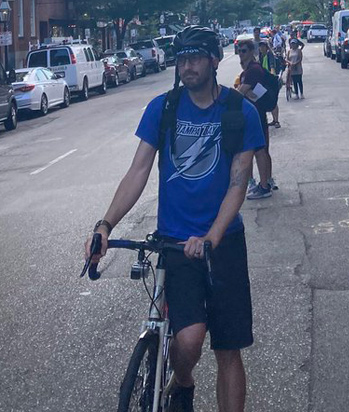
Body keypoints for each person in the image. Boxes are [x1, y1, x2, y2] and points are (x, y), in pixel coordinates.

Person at [84, 26, 265, 412]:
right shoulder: (163, 108)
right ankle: (183, 381)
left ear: (215, 61)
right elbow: (137, 172)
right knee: (189, 340)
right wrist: (105, 224)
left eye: (196, 57)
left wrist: (213, 236)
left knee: (229, 349)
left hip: (224, 244)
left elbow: (238, 182)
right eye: (182, 59)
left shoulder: (239, 111)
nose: (188, 66)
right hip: (176, 244)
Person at [237, 39, 274, 199]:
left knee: (260, 151)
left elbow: (240, 93)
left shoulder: (253, 70)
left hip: (256, 115)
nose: (241, 53)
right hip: (255, 114)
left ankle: (264, 186)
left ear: (252, 52)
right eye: (239, 50)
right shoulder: (248, 71)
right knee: (261, 150)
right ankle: (266, 182)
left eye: (244, 50)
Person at [259, 41, 281, 129]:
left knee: (273, 101)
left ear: (266, 47)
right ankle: (271, 119)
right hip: (264, 80)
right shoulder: (261, 56)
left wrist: (273, 76)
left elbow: (272, 66)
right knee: (265, 100)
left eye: (263, 46)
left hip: (270, 80)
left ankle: (276, 121)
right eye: (260, 47)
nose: (261, 48)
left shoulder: (269, 55)